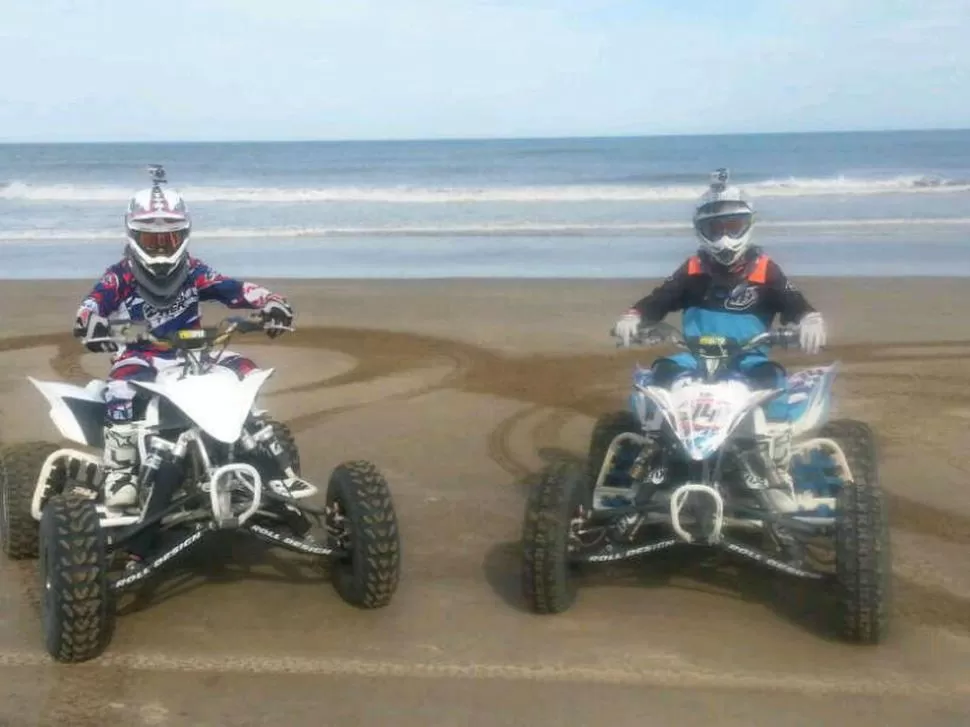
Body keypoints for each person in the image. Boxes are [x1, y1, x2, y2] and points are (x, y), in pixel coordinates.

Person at [72, 166, 295, 509]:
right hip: (141, 353)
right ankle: (122, 470)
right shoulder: (119, 276)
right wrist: (90, 323)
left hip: (195, 355)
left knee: (247, 372)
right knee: (122, 385)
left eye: (169, 238)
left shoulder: (195, 271)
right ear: (133, 235)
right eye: (151, 239)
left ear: (183, 234)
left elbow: (233, 289)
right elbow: (93, 304)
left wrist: (271, 301)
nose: (161, 246)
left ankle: (262, 449)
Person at [611, 168, 827, 396]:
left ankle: (768, 431)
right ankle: (659, 431)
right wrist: (634, 315)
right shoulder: (693, 268)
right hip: (696, 357)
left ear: (748, 224)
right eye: (715, 229)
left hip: (748, 358)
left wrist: (810, 318)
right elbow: (661, 298)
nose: (724, 239)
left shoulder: (765, 269)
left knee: (770, 381)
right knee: (664, 374)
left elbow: (791, 299)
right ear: (701, 231)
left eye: (733, 228)